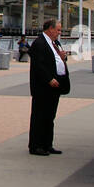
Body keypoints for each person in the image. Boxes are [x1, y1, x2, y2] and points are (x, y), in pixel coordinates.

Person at [29, 19, 70, 155]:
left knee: (49, 116)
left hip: (55, 86)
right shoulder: (39, 43)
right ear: (50, 29)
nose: (59, 33)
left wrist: (63, 57)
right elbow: (38, 65)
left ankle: (47, 144)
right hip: (43, 87)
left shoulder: (54, 43)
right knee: (39, 116)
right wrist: (49, 79)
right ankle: (36, 145)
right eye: (58, 30)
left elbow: (56, 59)